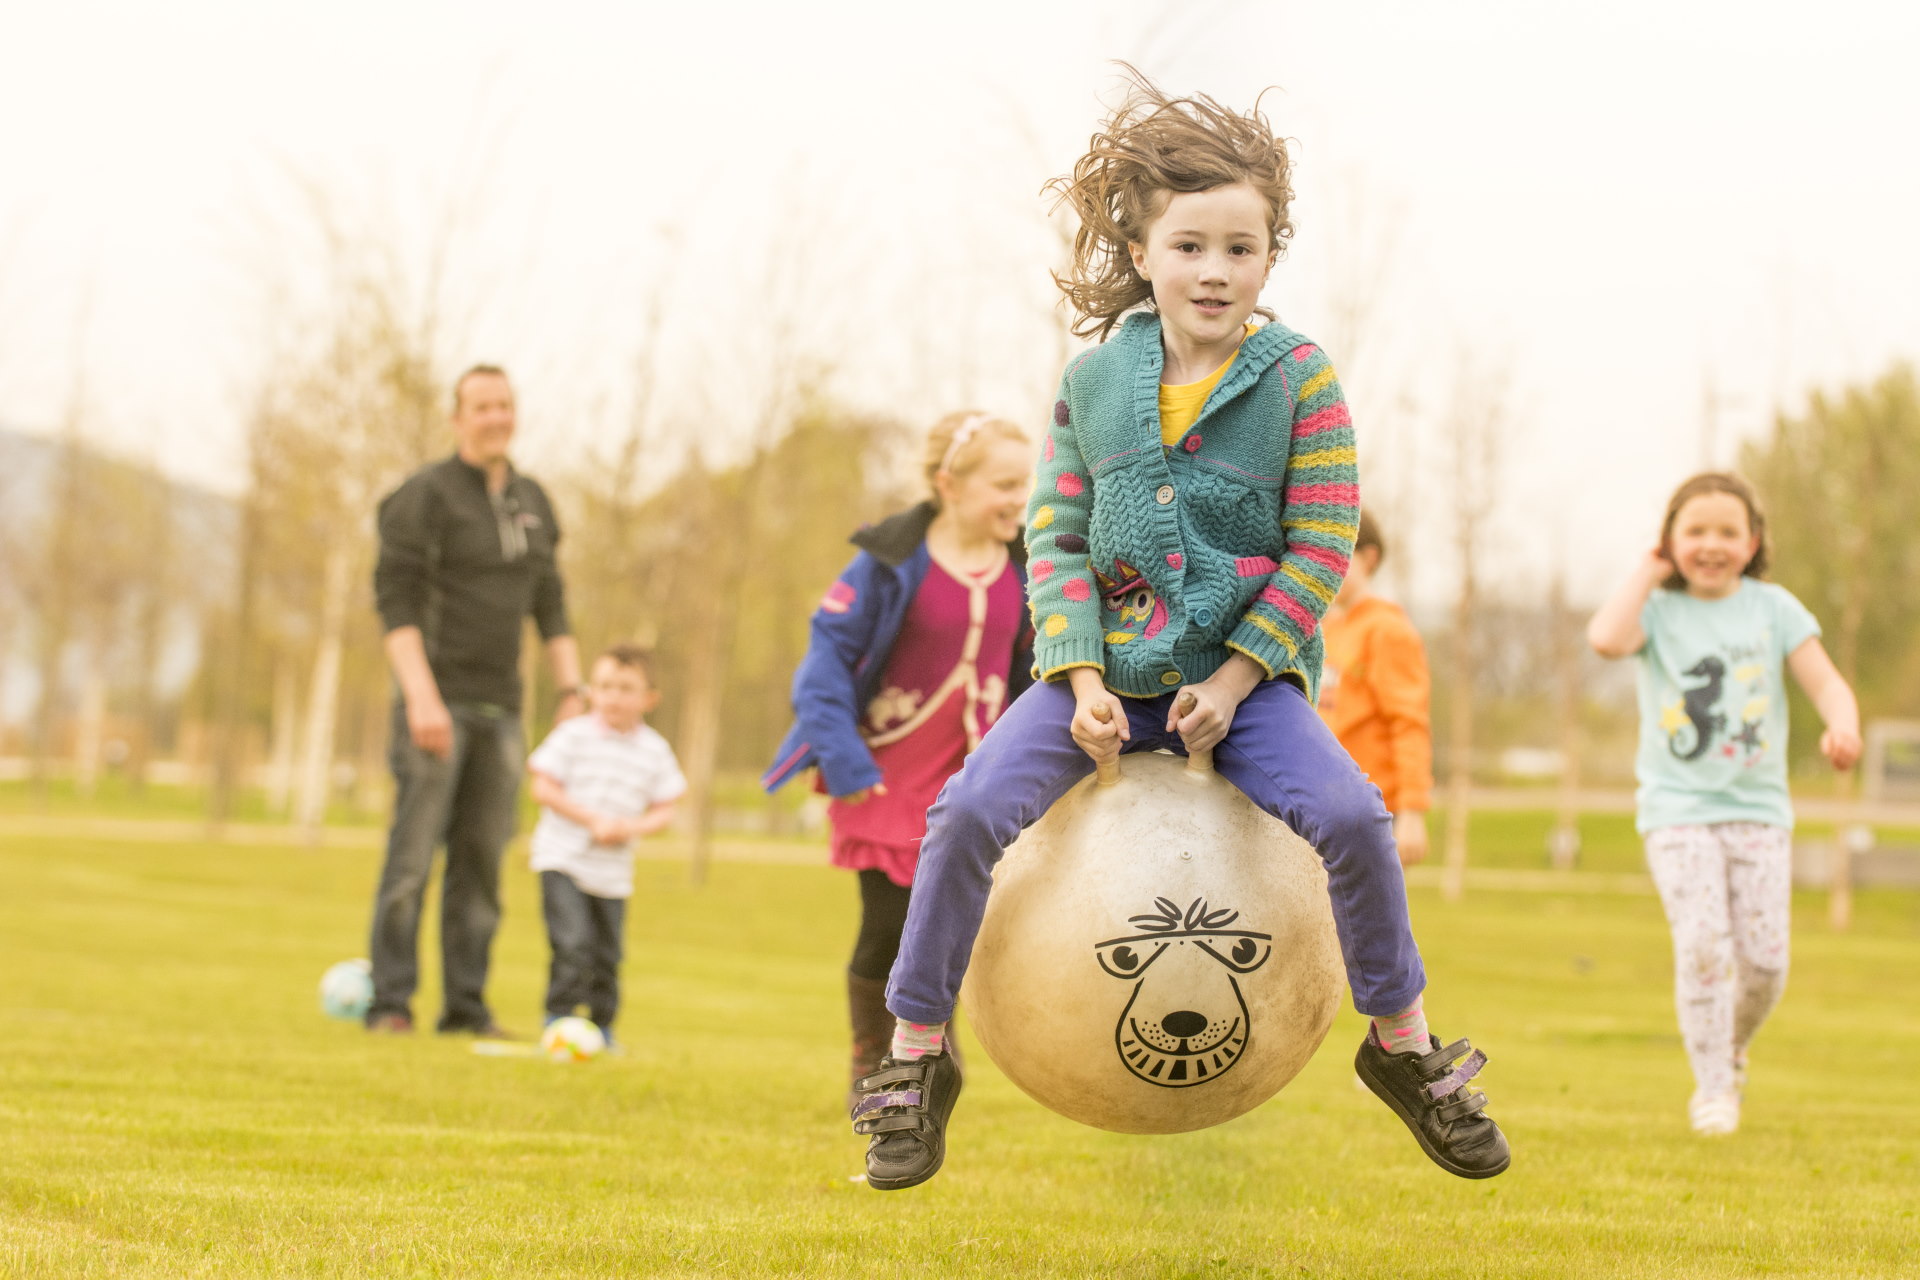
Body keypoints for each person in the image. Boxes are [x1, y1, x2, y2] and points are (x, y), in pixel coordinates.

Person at [848, 71, 1509, 1189]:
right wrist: (1081, 673)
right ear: (1145, 250)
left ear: (1268, 258)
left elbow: (1321, 548)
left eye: (1242, 249)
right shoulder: (1093, 381)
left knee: (1354, 814)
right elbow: (1054, 541)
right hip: (1098, 686)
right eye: (1192, 245)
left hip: (1249, 690)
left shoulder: (1303, 380)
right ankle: (916, 1057)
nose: (1216, 270)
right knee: (959, 813)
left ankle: (1402, 1044)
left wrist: (1246, 677)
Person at [762, 411, 1035, 1103]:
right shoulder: (889, 561)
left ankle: (928, 1048)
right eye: (1004, 483)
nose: (1018, 498)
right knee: (889, 926)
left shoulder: (1030, 567)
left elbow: (1037, 672)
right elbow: (824, 663)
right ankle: (873, 1057)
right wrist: (846, 764)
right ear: (950, 483)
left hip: (972, 781)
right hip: (885, 777)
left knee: (959, 922)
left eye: (1023, 484)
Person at [1587, 472, 1860, 1135]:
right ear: (1670, 543)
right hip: (1677, 811)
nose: (1712, 544)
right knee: (1704, 944)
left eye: (1727, 531)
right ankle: (1713, 1087)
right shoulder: (1658, 611)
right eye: (1695, 531)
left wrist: (1842, 724)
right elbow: (1605, 638)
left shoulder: (1774, 609)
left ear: (1754, 541)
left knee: (1766, 964)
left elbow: (1826, 683)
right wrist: (1650, 570)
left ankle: (1732, 1047)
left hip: (1760, 812)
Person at [366, 364, 583, 1037]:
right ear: (457, 418)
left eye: (505, 405)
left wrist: (571, 690)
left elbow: (550, 603)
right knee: (411, 863)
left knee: (483, 867)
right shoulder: (421, 497)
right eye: (481, 406)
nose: (495, 417)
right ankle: (391, 1003)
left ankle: (466, 1008)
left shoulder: (534, 501)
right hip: (436, 704)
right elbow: (394, 604)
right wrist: (422, 699)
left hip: (502, 710)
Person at [526, 645, 684, 1047]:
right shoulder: (572, 735)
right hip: (561, 858)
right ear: (590, 692)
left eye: (626, 688)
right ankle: (557, 1021)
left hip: (612, 875)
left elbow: (666, 809)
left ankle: (602, 1027)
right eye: (605, 686)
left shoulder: (654, 750)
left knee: (606, 956)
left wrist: (629, 827)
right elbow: (541, 786)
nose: (613, 696)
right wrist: (590, 819)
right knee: (572, 942)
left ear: (649, 698)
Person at [1317, 512, 1432, 866]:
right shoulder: (1324, 628)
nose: (1327, 565)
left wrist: (1412, 812)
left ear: (1369, 559)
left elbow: (1409, 721)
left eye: (1340, 553)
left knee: (1360, 920)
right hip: (1327, 801)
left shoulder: (1387, 629)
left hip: (1372, 808)